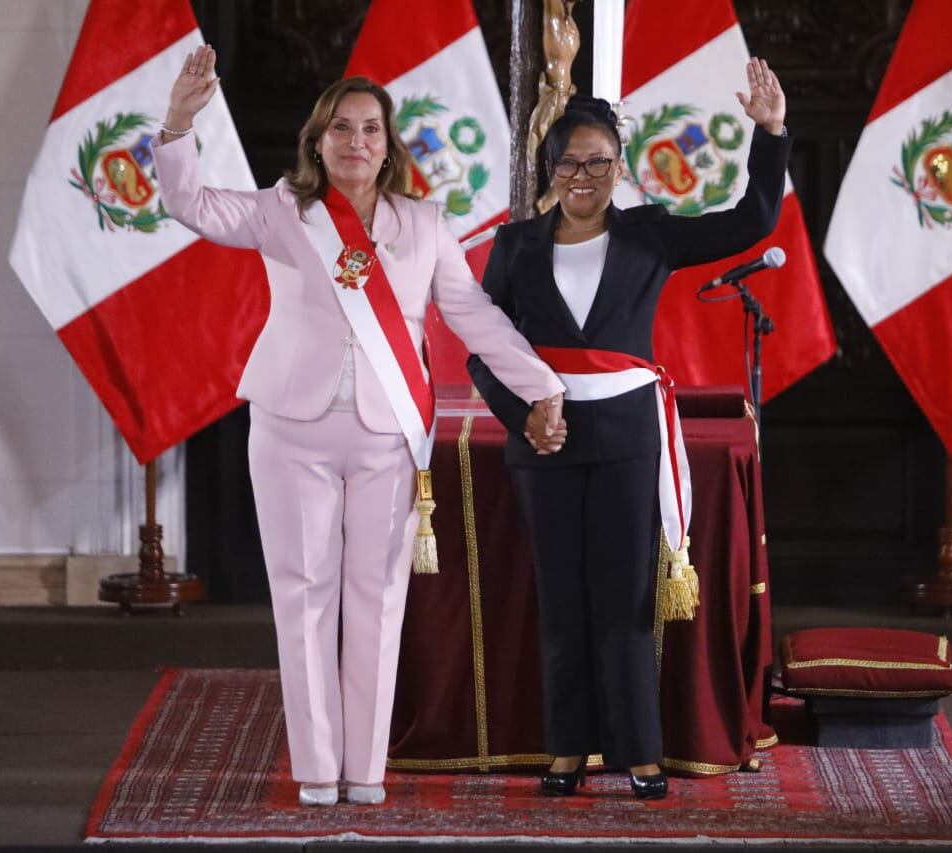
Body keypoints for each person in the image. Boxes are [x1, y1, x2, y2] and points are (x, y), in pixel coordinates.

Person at [152, 46, 566, 807]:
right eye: (341, 128)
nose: (356, 142)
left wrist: (543, 385)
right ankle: (316, 766)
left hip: (386, 434)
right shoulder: (285, 211)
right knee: (303, 593)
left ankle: (365, 767)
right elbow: (193, 206)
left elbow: (471, 315)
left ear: (389, 143)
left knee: (376, 599)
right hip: (291, 426)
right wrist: (179, 120)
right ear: (318, 141)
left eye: (370, 129)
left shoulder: (425, 224)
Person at [468, 57, 789, 800]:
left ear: (619, 166)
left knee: (624, 603)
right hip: (542, 441)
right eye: (570, 162)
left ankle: (640, 752)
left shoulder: (648, 235)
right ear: (549, 170)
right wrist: (523, 418)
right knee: (562, 602)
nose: (584, 175)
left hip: (625, 436)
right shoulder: (515, 246)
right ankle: (566, 751)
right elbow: (485, 347)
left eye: (599, 161)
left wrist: (770, 131)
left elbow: (753, 220)